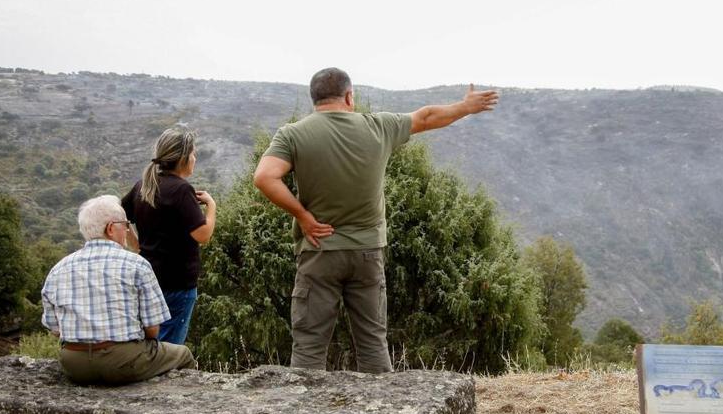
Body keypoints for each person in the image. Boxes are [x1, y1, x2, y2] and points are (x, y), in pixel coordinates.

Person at [253, 67, 498, 373]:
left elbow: (264, 177)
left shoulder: (293, 134)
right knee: (372, 344)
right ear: (349, 96)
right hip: (368, 253)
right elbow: (425, 117)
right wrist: (464, 107)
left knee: (309, 347)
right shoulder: (378, 126)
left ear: (314, 98)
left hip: (318, 251)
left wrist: (303, 217)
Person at [41, 195, 196, 385]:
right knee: (183, 354)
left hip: (74, 364)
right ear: (111, 228)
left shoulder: (58, 269)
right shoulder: (136, 264)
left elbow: (55, 330)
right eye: (125, 225)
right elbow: (153, 330)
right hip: (123, 362)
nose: (127, 230)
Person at [122, 126, 216, 345]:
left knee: (149, 339)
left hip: (148, 277)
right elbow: (203, 235)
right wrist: (211, 206)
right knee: (169, 345)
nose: (194, 158)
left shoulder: (143, 186)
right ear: (183, 158)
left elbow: (118, 216)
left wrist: (137, 247)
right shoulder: (181, 190)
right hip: (178, 283)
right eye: (193, 154)